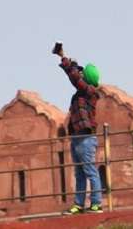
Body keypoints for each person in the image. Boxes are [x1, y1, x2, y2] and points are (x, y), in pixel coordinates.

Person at [53, 44, 103, 214]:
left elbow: (75, 78)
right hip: (77, 137)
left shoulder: (90, 91)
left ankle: (96, 203)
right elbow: (76, 77)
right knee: (80, 172)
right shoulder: (81, 93)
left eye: (82, 73)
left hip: (86, 138)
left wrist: (63, 57)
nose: (79, 74)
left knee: (89, 170)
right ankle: (79, 204)